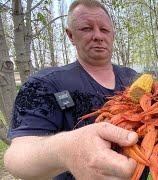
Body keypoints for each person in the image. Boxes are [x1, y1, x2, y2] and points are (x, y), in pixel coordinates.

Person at [4, 0, 149, 179]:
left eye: (104, 30)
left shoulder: (133, 78)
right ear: (70, 35)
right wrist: (67, 149)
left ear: (113, 35)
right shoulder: (44, 83)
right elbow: (15, 157)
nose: (98, 36)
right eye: (86, 28)